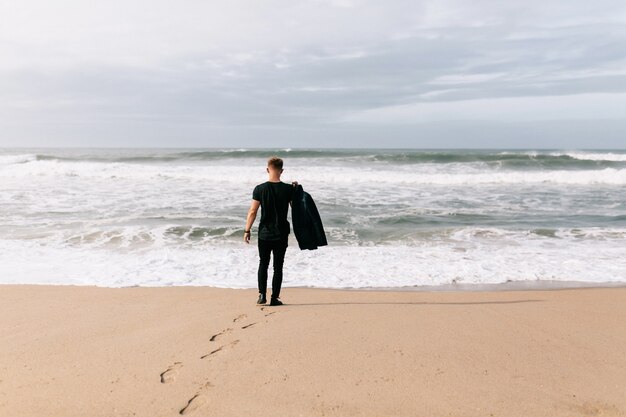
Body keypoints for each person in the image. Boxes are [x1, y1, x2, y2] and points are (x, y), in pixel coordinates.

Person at [244, 157, 297, 306]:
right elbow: (296, 209)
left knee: (263, 264)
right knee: (278, 266)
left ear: (268, 169)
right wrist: (296, 190)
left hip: (264, 234)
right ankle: (275, 298)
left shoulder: (260, 189)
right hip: (281, 233)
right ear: (282, 171)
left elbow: (253, 211)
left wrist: (247, 230)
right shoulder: (288, 189)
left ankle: (262, 296)